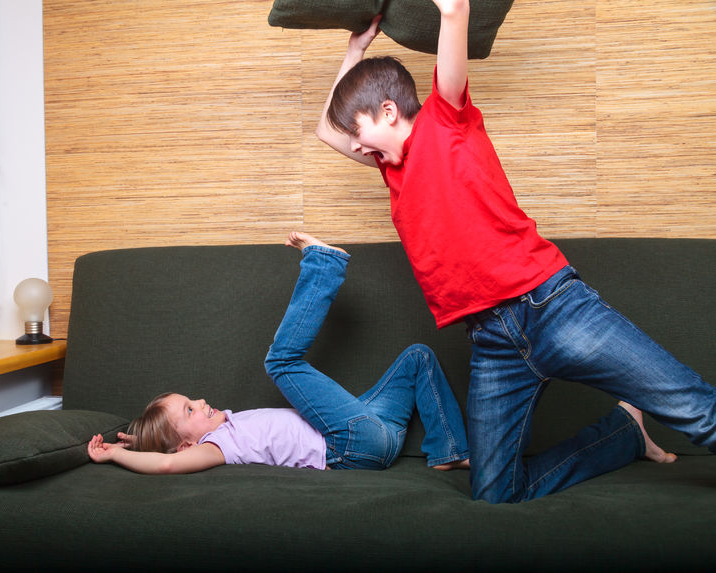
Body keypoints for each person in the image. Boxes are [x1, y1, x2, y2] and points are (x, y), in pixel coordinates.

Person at [316, 0, 715, 503]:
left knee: (693, 407)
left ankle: (640, 425)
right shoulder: (391, 169)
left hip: (552, 308)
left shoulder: (447, 117)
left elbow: (456, 10)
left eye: (361, 134)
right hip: (492, 343)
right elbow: (326, 130)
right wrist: (355, 51)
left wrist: (449, 12)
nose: (355, 147)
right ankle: (624, 434)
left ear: (389, 111)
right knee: (495, 492)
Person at [88, 232, 470, 474]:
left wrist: (140, 438)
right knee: (280, 361)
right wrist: (117, 456)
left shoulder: (224, 427)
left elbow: (164, 445)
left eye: (191, 400)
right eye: (190, 410)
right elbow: (169, 461)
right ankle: (323, 266)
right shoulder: (217, 447)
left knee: (418, 357)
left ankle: (449, 450)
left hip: (374, 424)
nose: (201, 401)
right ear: (189, 443)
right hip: (350, 445)